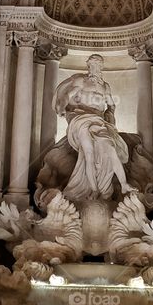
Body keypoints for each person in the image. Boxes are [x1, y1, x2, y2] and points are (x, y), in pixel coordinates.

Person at [52, 54, 135, 200]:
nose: (96, 67)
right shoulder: (81, 81)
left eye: (98, 65)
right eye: (93, 64)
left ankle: (124, 184)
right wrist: (63, 108)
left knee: (110, 149)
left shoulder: (105, 86)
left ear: (102, 67)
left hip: (99, 121)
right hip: (81, 118)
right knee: (88, 154)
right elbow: (68, 94)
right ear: (88, 65)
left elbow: (111, 104)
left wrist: (110, 115)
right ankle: (94, 189)